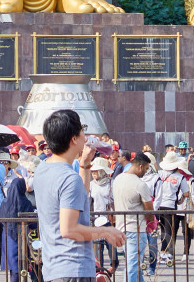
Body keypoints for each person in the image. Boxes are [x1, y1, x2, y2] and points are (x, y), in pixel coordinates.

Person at [32, 109, 125, 282]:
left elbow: (78, 197)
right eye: (82, 130)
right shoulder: (68, 178)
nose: (85, 135)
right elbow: (69, 229)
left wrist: (84, 165)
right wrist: (106, 231)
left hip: (54, 267)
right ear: (74, 139)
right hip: (73, 268)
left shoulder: (42, 169)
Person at [112, 152, 153, 282]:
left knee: (133, 264)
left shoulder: (118, 179)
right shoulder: (140, 184)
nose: (146, 172)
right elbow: (150, 212)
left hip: (121, 227)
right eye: (146, 169)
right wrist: (151, 221)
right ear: (140, 166)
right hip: (136, 229)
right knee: (133, 266)